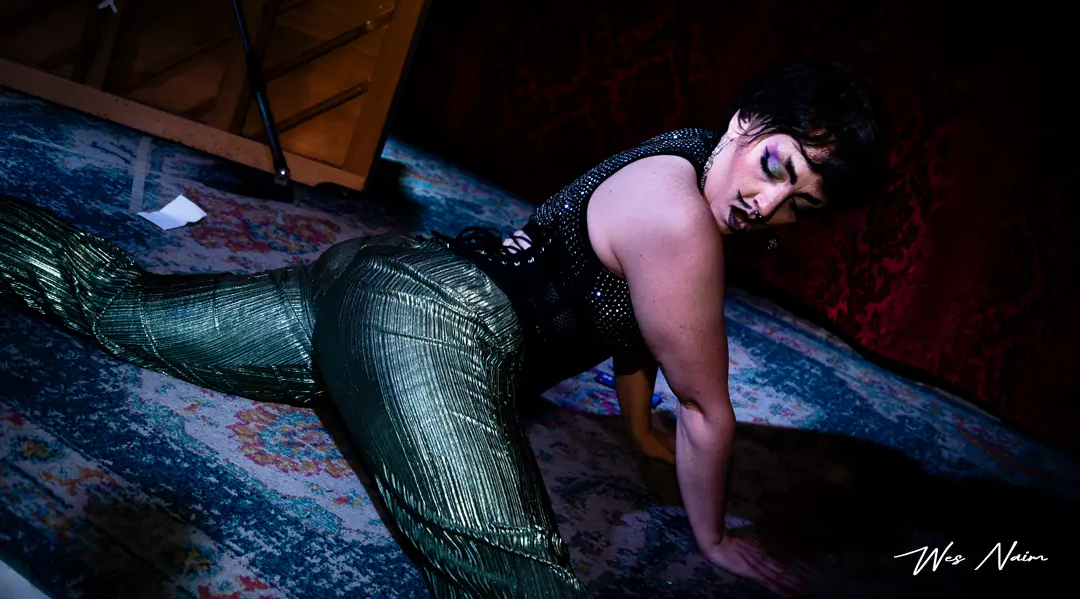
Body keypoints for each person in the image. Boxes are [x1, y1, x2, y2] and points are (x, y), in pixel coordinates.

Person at [0, 59, 889, 598]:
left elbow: (638, 328)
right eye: (776, 165)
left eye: (799, 205)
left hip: (371, 283)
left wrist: (635, 434)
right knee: (517, 574)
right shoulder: (684, 220)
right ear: (747, 124)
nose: (767, 202)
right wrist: (715, 541)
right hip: (432, 325)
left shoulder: (688, 154)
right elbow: (704, 407)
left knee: (118, 307)